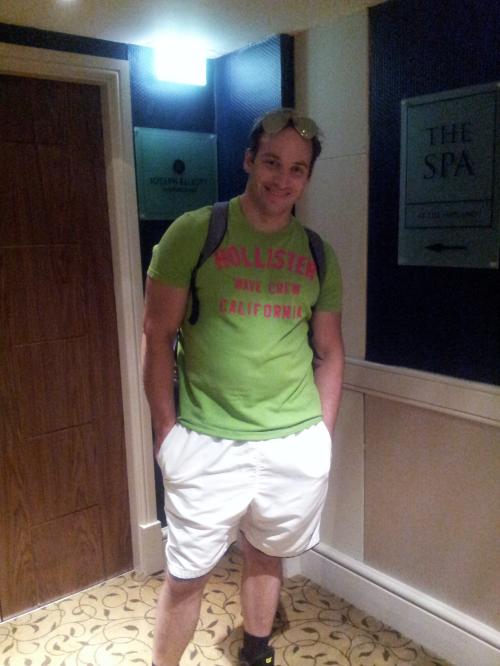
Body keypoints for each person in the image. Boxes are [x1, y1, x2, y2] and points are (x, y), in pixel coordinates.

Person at [142, 108, 345, 666]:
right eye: (273, 162)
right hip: (206, 441)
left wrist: (322, 437)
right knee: (187, 574)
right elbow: (156, 337)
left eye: (298, 169)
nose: (283, 179)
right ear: (249, 160)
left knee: (267, 553)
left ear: (307, 178)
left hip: (293, 442)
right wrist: (166, 432)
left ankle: (256, 652)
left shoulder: (317, 253)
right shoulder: (195, 232)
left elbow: (329, 352)